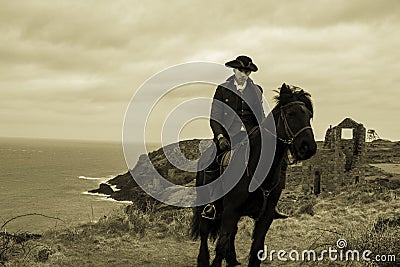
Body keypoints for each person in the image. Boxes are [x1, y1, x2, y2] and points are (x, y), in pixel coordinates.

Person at [201, 55, 288, 220]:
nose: (244, 74)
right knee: (211, 160)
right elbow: (215, 117)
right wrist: (220, 137)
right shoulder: (222, 89)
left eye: (247, 71)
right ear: (234, 70)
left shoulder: (256, 90)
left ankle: (271, 204)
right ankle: (211, 204)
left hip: (252, 135)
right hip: (228, 135)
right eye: (241, 70)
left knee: (279, 160)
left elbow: (260, 116)